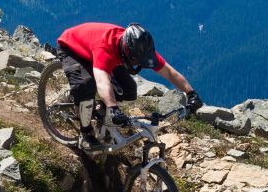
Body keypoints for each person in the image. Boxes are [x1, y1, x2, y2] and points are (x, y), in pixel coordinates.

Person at [55, 22, 204, 144]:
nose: (138, 63)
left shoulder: (142, 50)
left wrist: (191, 93)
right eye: (136, 61)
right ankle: (85, 133)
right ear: (127, 51)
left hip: (99, 51)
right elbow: (102, 82)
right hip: (72, 47)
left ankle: (99, 111)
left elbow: (169, 72)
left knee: (129, 90)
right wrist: (113, 108)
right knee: (86, 85)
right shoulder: (105, 48)